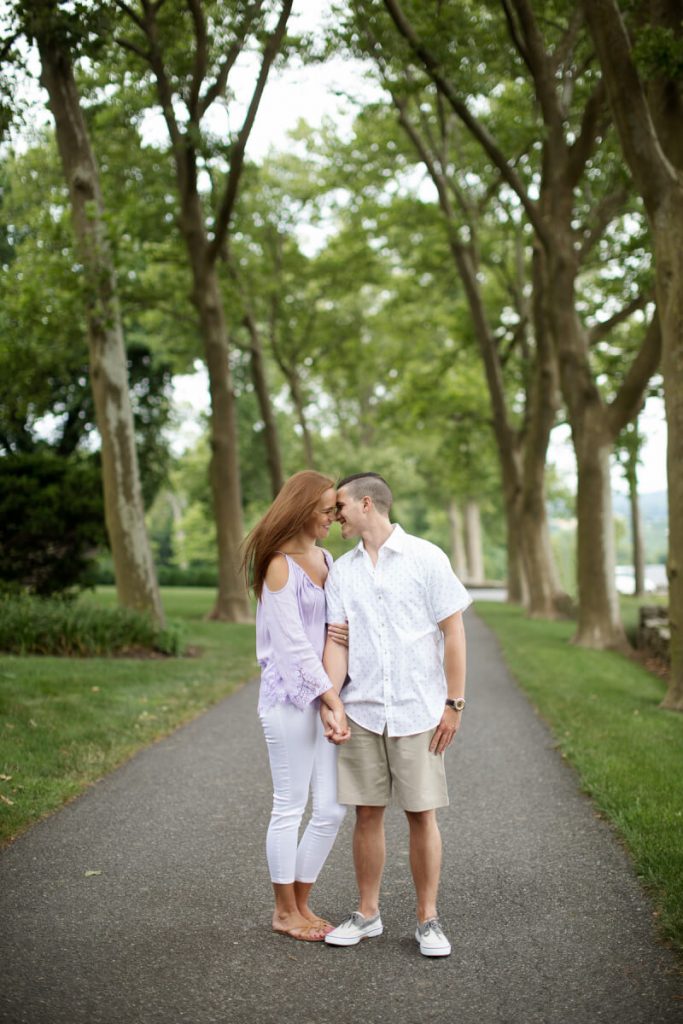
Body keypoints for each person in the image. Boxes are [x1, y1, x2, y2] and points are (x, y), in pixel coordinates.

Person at [320, 472, 471, 957]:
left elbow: (454, 633)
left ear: (367, 504)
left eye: (339, 505)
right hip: (363, 710)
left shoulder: (427, 558)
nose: (334, 514)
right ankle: (368, 914)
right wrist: (334, 701)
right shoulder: (343, 571)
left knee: (421, 814)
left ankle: (428, 920)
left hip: (417, 710)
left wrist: (453, 703)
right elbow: (337, 641)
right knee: (366, 814)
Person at [242, 471, 351, 942]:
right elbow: (291, 646)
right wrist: (329, 699)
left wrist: (334, 690)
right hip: (289, 700)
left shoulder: (326, 558)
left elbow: (334, 628)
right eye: (327, 509)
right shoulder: (278, 564)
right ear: (304, 508)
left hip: (326, 697)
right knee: (290, 805)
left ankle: (301, 903)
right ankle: (284, 911)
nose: (333, 516)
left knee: (330, 809)